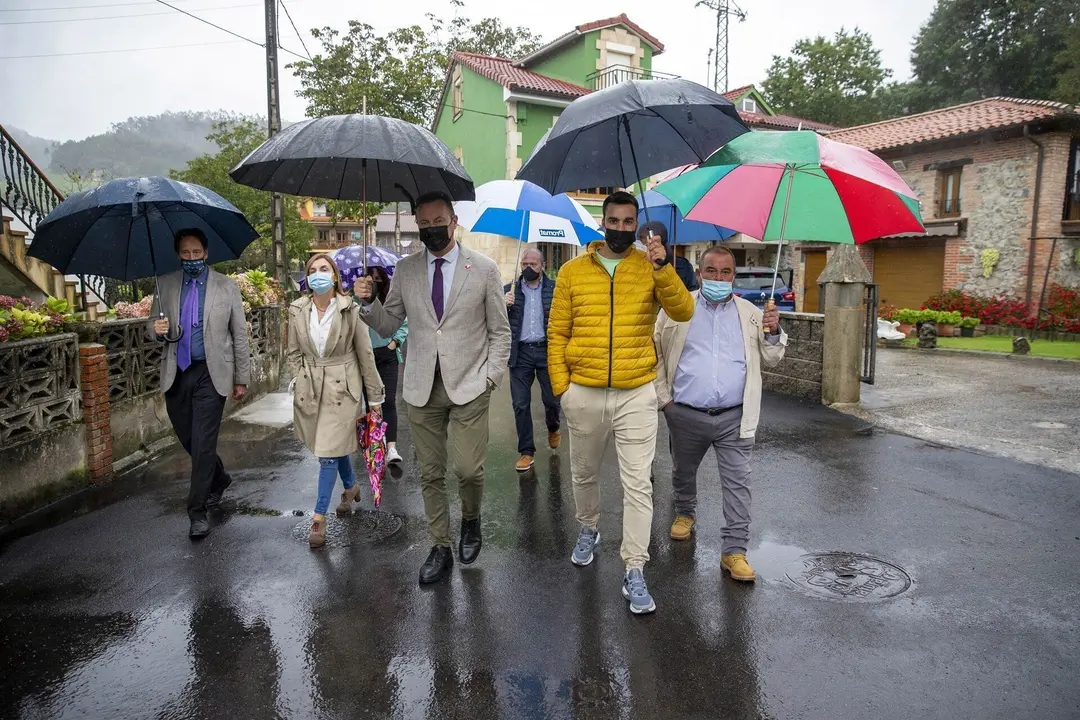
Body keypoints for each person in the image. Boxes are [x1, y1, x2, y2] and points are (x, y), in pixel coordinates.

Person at [548, 190, 695, 615]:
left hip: (636, 392)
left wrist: (663, 267)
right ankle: (589, 527)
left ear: (637, 226)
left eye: (628, 222)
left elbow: (683, 311)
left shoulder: (650, 268)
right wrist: (564, 388)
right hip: (585, 392)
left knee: (638, 484)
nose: (619, 228)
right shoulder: (573, 272)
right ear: (603, 223)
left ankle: (634, 568)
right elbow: (558, 333)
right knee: (584, 473)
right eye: (613, 221)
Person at [355, 191, 511, 585]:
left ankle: (471, 520)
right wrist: (369, 303)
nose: (431, 229)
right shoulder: (406, 270)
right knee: (430, 472)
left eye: (436, 221)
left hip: (471, 384)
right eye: (423, 224)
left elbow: (500, 331)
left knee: (469, 470)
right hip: (421, 384)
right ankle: (440, 544)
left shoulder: (485, 268)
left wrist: (491, 376)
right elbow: (389, 324)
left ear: (454, 220)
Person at [653, 246, 787, 582]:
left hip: (734, 417)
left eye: (725, 272)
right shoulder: (676, 310)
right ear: (699, 274)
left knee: (738, 484)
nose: (718, 278)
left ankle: (734, 551)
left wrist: (772, 331)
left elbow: (772, 358)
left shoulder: (752, 314)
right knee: (683, 471)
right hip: (684, 413)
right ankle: (685, 512)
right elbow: (654, 351)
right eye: (711, 271)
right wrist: (665, 400)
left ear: (733, 277)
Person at [149, 228, 250, 540]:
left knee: (203, 441)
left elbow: (240, 333)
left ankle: (197, 511)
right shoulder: (164, 284)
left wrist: (242, 378)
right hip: (176, 373)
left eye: (196, 253)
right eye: (185, 253)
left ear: (206, 253)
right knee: (189, 439)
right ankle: (218, 478)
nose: (191, 258)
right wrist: (157, 328)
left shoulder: (225, 285)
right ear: (178, 254)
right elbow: (151, 332)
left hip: (212, 373)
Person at [287, 254, 384, 549]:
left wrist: (375, 397)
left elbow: (365, 353)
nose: (318, 274)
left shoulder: (349, 309)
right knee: (333, 445)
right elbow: (292, 352)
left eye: (324, 269)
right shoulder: (296, 309)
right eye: (312, 270)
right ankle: (351, 486)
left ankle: (318, 517)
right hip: (311, 389)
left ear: (335, 276)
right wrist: (300, 376)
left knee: (328, 452)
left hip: (344, 389)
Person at [503, 248, 560, 472]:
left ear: (543, 266)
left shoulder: (554, 289)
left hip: (547, 351)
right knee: (520, 404)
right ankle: (526, 452)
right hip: (521, 353)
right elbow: (497, 322)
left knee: (552, 401)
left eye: (533, 264)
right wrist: (503, 305)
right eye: (524, 263)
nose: (528, 268)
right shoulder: (510, 290)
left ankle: (553, 427)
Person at [365, 265, 407, 467]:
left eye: (378, 277)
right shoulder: (357, 300)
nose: (375, 281)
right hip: (366, 357)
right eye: (371, 277)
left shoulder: (391, 299)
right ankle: (374, 444)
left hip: (388, 354)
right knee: (371, 403)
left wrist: (395, 342)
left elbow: (404, 321)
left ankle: (391, 448)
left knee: (388, 401)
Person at [637, 221, 698, 292]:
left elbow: (693, 292)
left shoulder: (683, 265)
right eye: (641, 246)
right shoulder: (637, 264)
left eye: (647, 246)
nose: (644, 251)